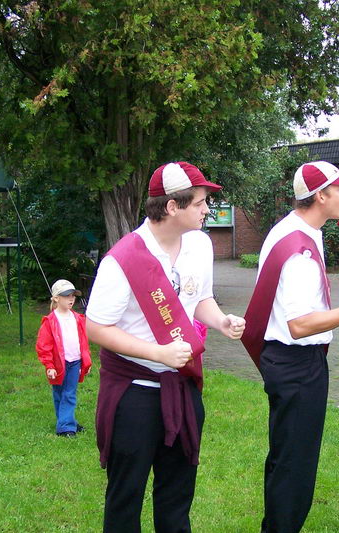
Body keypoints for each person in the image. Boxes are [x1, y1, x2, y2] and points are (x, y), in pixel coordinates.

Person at [85, 161, 246, 533]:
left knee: (177, 496)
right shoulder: (122, 260)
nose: (208, 210)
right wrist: (156, 353)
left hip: (183, 387)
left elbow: (199, 299)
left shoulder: (200, 245)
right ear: (173, 207)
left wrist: (221, 321)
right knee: (126, 496)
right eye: (200, 203)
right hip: (134, 395)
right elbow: (95, 327)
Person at [240, 160, 339, 533]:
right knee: (296, 463)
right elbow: (299, 324)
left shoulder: (299, 231)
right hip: (297, 362)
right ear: (320, 195)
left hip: (290, 361)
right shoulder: (300, 249)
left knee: (287, 456)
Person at [36, 279, 93, 436]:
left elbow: (83, 342)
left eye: (73, 295)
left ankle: (66, 426)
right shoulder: (50, 321)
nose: (71, 299)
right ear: (56, 298)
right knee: (59, 394)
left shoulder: (78, 318)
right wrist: (49, 366)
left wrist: (85, 363)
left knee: (69, 393)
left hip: (75, 362)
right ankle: (67, 421)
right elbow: (44, 346)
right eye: (67, 295)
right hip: (58, 364)